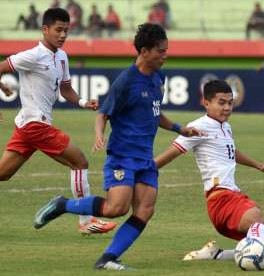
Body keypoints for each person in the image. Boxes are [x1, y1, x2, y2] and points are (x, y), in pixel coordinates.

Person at [33, 23, 203, 271]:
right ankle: (63, 205)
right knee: (116, 208)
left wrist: (179, 128)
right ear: (144, 51)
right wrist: (99, 135)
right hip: (123, 155)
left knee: (145, 209)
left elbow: (154, 112)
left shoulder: (158, 77)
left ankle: (108, 258)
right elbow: (103, 113)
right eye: (161, 51)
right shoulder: (125, 82)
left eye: (166, 50)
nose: (165, 55)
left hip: (145, 158)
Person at [0, 8, 116, 235]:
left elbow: (66, 89)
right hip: (36, 124)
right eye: (58, 30)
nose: (63, 35)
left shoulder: (62, 57)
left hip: (26, 126)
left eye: (66, 30)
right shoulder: (33, 55)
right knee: (80, 162)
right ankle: (86, 220)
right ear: (45, 30)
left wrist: (83, 102)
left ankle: (86, 220)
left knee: (3, 174)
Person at [154, 79, 264, 268]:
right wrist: (144, 171)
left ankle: (217, 255)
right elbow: (171, 153)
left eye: (230, 103)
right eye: (221, 103)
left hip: (233, 197)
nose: (227, 108)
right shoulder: (199, 126)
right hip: (221, 199)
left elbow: (230, 151)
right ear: (206, 103)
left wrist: (258, 165)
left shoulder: (225, 127)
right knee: (257, 217)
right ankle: (255, 257)